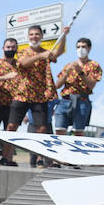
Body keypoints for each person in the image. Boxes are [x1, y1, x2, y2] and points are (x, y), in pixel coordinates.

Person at [11, 23, 71, 165]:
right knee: (12, 126)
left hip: (40, 96)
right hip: (22, 94)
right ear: (28, 37)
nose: (34, 37)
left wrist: (63, 37)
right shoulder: (22, 51)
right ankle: (8, 157)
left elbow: (58, 52)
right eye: (31, 34)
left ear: (42, 36)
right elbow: (24, 63)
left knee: (42, 128)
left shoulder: (46, 52)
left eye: (37, 34)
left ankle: (39, 158)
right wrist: (40, 56)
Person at [53, 37, 102, 135]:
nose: (80, 49)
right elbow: (57, 85)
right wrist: (67, 73)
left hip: (81, 101)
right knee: (59, 130)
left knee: (78, 133)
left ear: (89, 48)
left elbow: (91, 85)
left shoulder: (94, 65)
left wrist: (81, 73)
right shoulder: (69, 65)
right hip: (65, 100)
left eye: (83, 47)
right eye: (78, 47)